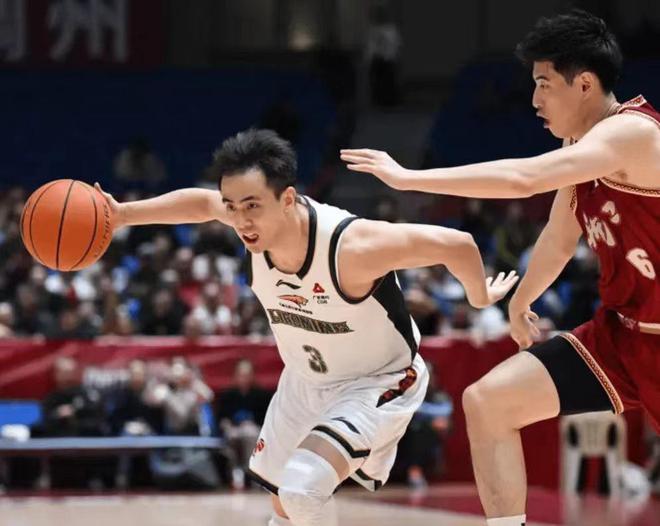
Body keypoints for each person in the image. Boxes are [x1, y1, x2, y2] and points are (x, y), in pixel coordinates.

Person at [96, 128, 517, 526]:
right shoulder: (248, 221)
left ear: (287, 199)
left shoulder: (352, 247)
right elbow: (201, 204)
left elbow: (457, 244)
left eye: (251, 206)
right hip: (304, 381)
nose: (239, 220)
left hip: (377, 380)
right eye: (232, 207)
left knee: (301, 491)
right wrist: (123, 215)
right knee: (284, 507)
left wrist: (480, 296)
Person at [341, 9, 659, 526]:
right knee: (489, 402)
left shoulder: (632, 134)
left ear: (583, 85)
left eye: (544, 84)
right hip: (621, 337)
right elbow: (560, 235)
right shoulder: (580, 150)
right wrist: (522, 299)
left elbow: (523, 180)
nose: (534, 100)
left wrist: (410, 178)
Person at [216, 359, 272, 489]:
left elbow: (267, 419)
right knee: (232, 437)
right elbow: (222, 418)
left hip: (254, 430)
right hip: (234, 430)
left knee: (250, 436)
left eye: (247, 375)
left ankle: (252, 471)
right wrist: (227, 425)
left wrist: (252, 425)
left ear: (252, 376)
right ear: (236, 376)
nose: (244, 378)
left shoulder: (262, 395)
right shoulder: (228, 395)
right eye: (241, 375)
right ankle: (236, 472)